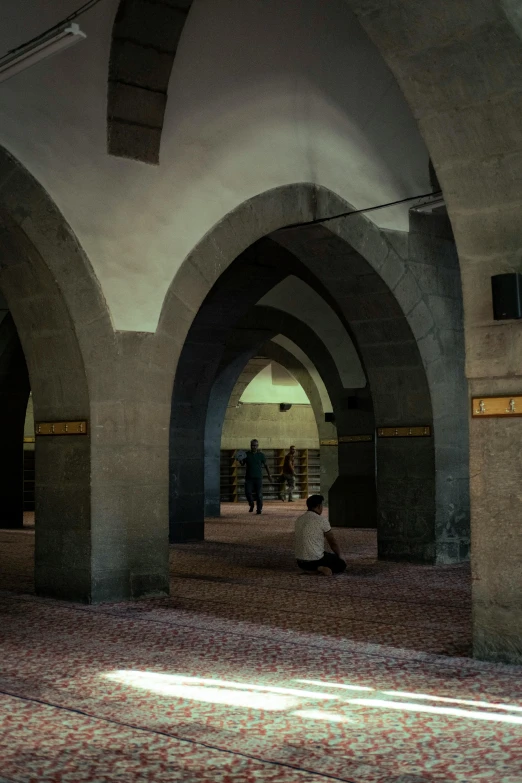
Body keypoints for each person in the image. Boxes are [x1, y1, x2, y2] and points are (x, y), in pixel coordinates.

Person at [294, 494, 346, 575]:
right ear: (319, 506)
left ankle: (311, 570)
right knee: (341, 564)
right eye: (322, 505)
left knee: (321, 553)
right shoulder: (322, 520)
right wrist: (340, 556)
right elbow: (333, 542)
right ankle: (319, 568)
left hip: (300, 562)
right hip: (316, 560)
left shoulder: (299, 519)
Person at [239, 439, 272, 514]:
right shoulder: (246, 454)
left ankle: (259, 509)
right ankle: (251, 504)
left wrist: (269, 475)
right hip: (249, 478)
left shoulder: (261, 455)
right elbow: (242, 464)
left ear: (258, 446)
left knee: (259, 494)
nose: (254, 447)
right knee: (247, 492)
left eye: (255, 445)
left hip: (258, 478)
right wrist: (240, 459)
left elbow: (266, 465)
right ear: (250, 446)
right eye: (252, 445)